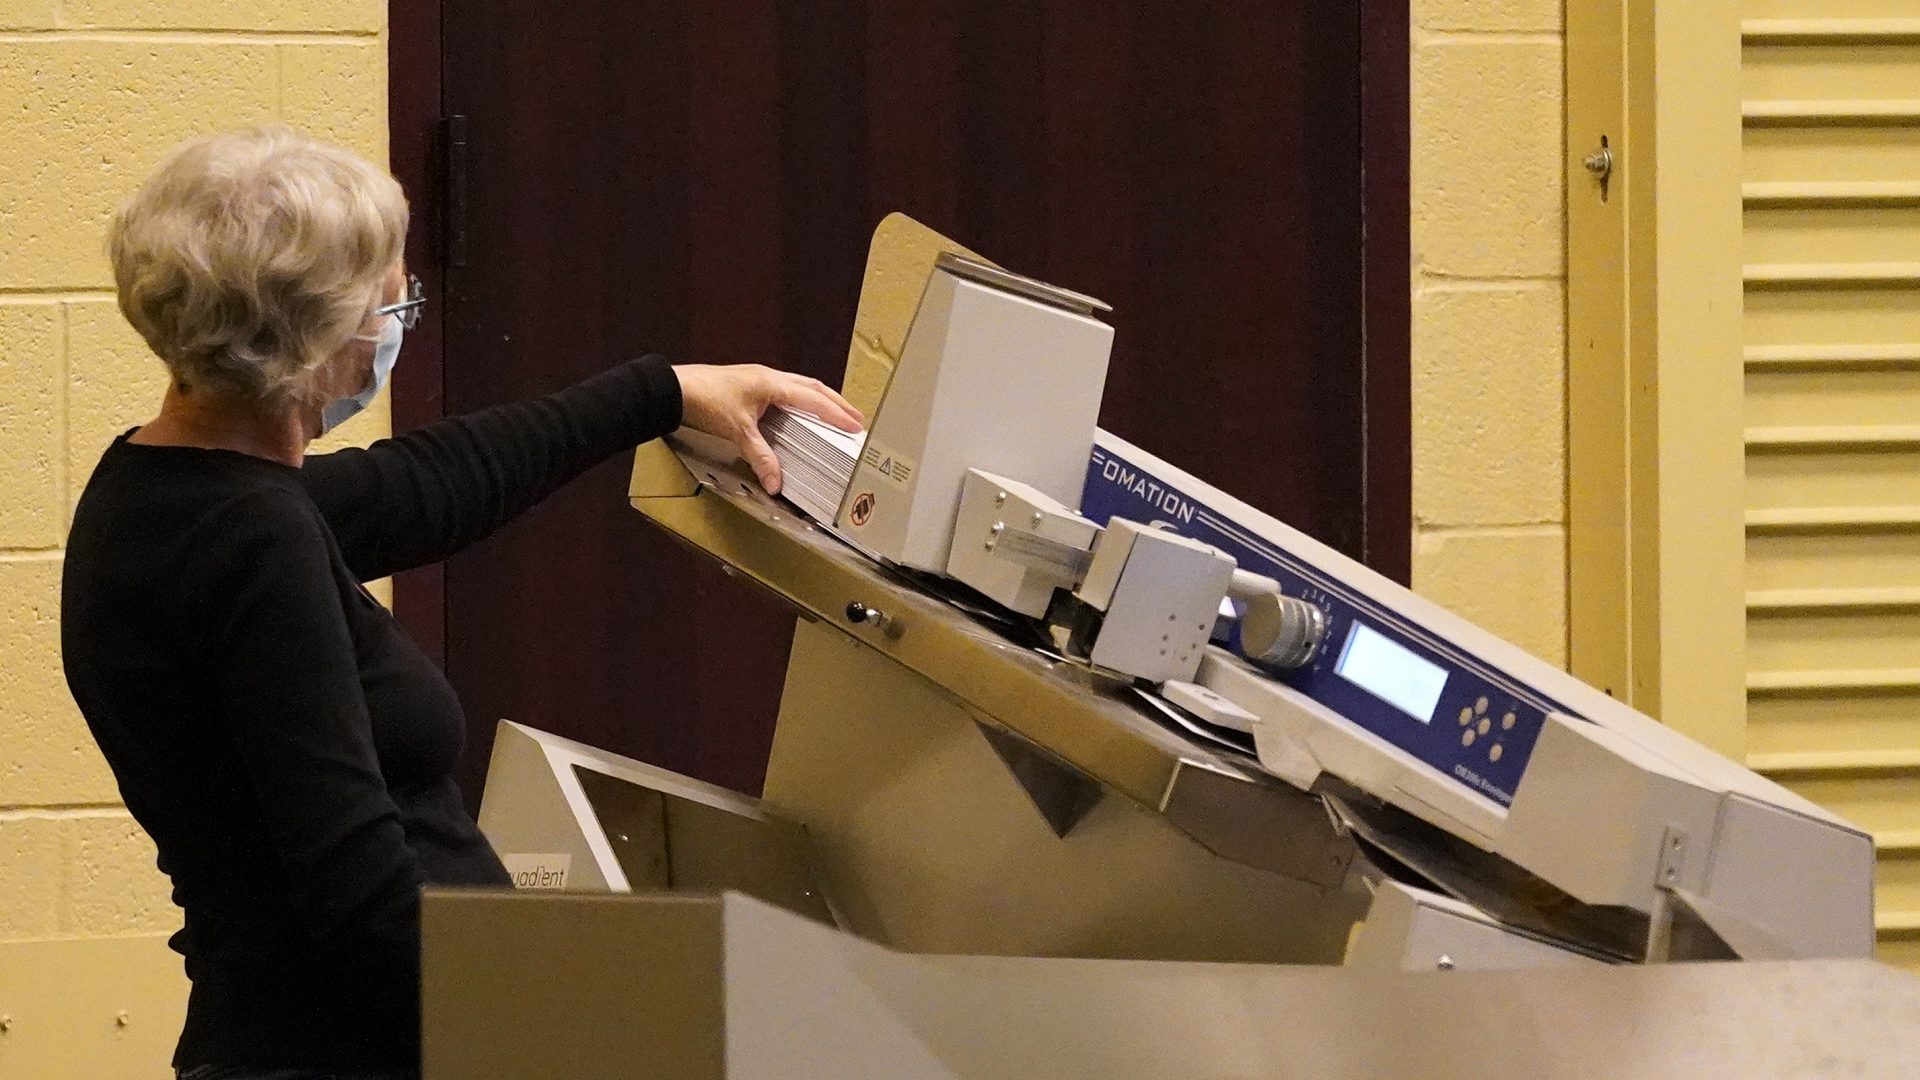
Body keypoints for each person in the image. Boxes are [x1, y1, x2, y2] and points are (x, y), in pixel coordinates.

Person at [59, 126, 861, 1080]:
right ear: (318, 340)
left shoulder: (159, 491)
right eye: (396, 304)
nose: (405, 320)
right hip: (343, 1053)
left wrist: (664, 391)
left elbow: (422, 486)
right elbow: (359, 896)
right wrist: (582, 1033)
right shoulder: (251, 542)